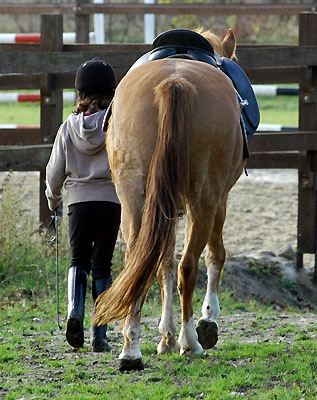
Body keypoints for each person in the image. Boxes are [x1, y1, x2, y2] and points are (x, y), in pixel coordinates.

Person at [45, 59, 121, 352]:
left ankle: (74, 311)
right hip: (110, 201)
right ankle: (100, 335)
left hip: (77, 203)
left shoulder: (68, 128)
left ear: (80, 93)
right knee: (102, 264)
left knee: (79, 260)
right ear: (110, 92)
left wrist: (53, 200)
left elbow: (54, 172)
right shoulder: (115, 125)